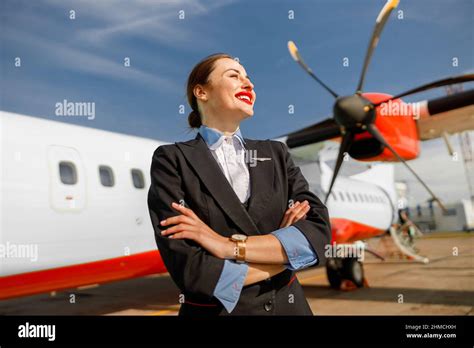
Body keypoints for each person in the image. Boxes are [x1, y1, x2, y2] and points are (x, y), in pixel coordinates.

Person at [147, 53, 331, 315]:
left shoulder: (276, 153)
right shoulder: (172, 159)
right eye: (234, 75)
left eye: (248, 78)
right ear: (201, 92)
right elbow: (192, 271)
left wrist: (226, 246)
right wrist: (285, 254)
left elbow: (317, 235)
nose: (249, 84)